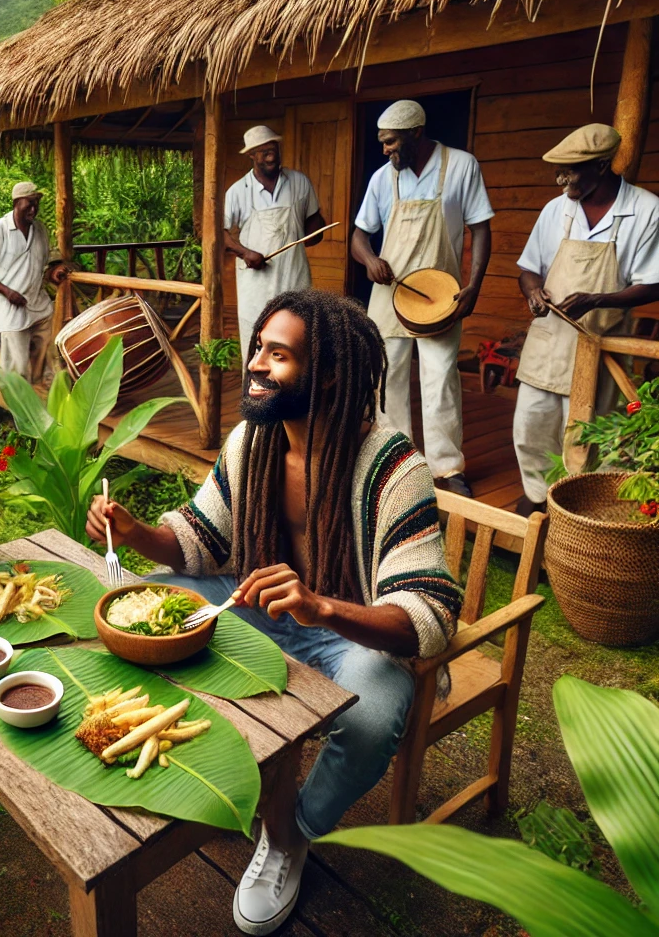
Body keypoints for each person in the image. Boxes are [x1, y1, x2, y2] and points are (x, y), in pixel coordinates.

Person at [86, 290, 461, 937]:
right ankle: (201, 765)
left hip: (349, 633)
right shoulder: (251, 440)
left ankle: (290, 833)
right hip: (255, 606)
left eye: (277, 354)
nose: (255, 363)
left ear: (332, 373)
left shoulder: (394, 466)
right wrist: (136, 530)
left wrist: (322, 607)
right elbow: (201, 538)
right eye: (257, 346)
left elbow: (427, 611)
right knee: (156, 604)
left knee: (375, 710)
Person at [513, 124, 659, 515]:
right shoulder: (555, 208)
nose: (561, 180)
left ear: (602, 165)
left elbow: (653, 284)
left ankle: (582, 508)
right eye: (559, 171)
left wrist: (598, 299)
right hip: (548, 341)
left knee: (590, 436)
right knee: (532, 426)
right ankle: (536, 499)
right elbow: (528, 268)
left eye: (571, 171)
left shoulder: (646, 210)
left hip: (601, 344)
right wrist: (533, 290)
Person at [351, 99, 494, 498]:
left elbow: (481, 230)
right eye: (382, 142)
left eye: (392, 142)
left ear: (417, 133)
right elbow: (359, 236)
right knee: (387, 377)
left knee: (441, 378)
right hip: (389, 294)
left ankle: (447, 469)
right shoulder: (383, 178)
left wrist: (474, 286)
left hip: (439, 295)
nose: (385, 150)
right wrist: (370, 259)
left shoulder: (461, 166)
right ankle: (397, 459)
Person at [224, 125, 326, 368]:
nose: (271, 156)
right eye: (263, 152)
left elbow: (314, 219)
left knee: (296, 339)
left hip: (294, 276)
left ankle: (294, 400)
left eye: (273, 150)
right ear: (251, 155)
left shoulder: (299, 182)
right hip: (256, 284)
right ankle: (256, 400)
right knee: (256, 341)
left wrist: (315, 233)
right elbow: (220, 235)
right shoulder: (238, 191)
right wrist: (245, 252)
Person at [0, 181, 70, 383]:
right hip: (12, 309)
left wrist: (55, 271)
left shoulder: (40, 229)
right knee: (16, 370)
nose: (33, 209)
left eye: (36, 204)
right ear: (16, 203)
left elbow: (49, 262)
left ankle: (43, 405)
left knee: (47, 363)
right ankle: (17, 411)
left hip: (39, 307)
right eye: (29, 204)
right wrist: (6, 292)